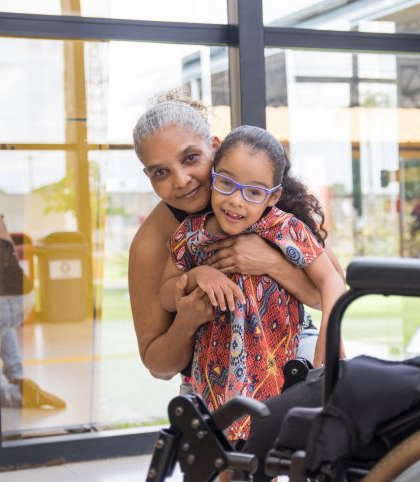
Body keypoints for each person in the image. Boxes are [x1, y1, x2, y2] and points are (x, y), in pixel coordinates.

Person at [129, 94, 340, 386]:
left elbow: (327, 289)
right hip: (212, 375)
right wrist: (186, 323)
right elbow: (158, 366)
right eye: (161, 172)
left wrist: (270, 263)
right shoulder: (156, 241)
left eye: (191, 158)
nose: (181, 180)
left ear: (214, 148)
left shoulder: (269, 202)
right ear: (148, 175)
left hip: (287, 352)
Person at [158, 125, 345, 441]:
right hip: (212, 376)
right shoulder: (191, 234)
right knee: (222, 461)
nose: (236, 202)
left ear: (273, 197)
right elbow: (165, 295)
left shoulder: (284, 229)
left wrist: (327, 342)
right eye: (226, 184)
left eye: (254, 192)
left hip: (271, 372)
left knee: (262, 462)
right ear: (213, 176)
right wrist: (197, 275)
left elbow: (331, 280)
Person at [0, 211, 66, 410]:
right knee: (2, 326)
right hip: (23, 294)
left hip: (4, 299)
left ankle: (16, 396)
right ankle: (18, 378)